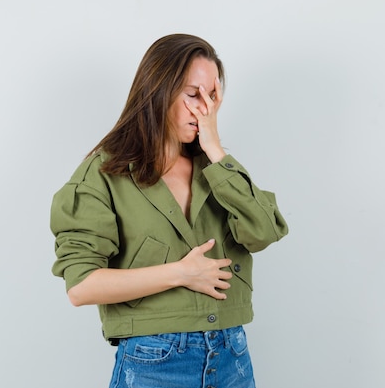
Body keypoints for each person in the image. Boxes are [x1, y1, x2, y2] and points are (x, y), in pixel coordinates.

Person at [50, 34, 289, 388]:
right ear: (158, 91)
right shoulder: (104, 174)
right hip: (155, 362)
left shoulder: (217, 171)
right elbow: (81, 286)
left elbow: (264, 231)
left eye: (212, 96)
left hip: (231, 356)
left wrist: (216, 150)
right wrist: (181, 273)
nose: (204, 109)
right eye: (193, 95)